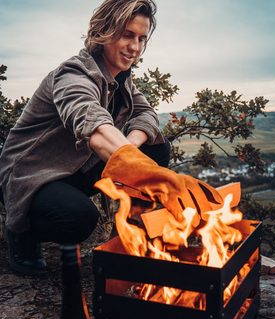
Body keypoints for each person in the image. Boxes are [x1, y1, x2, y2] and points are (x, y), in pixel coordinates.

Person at [0, 0, 222, 276]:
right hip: (30, 175)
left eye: (141, 39)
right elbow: (90, 121)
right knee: (78, 219)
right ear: (103, 32)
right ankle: (22, 232)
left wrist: (131, 149)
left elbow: (147, 115)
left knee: (157, 149)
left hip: (73, 170)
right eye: (127, 35)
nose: (135, 47)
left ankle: (131, 237)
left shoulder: (121, 79)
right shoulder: (74, 74)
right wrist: (155, 176)